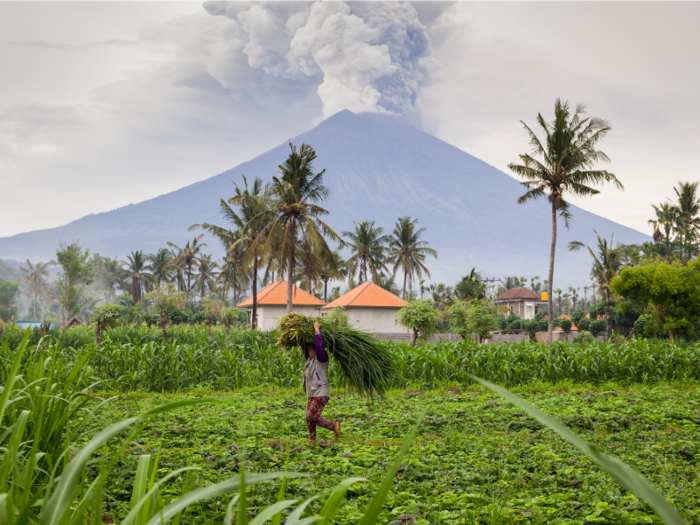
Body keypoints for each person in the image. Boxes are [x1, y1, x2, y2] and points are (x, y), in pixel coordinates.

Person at [304, 321, 341, 441]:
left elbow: (319, 346)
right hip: (312, 393)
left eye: (310, 349)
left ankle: (334, 426)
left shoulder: (321, 359)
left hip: (321, 392)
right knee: (308, 418)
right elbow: (303, 346)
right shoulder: (309, 360)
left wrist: (316, 330)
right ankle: (312, 440)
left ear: (315, 350)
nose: (308, 351)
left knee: (311, 416)